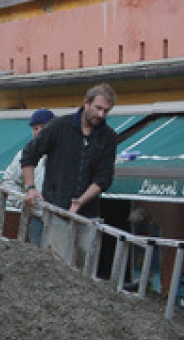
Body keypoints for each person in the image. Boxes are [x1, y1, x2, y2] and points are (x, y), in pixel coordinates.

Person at [20, 84, 118, 260]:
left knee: (86, 263)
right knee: (60, 263)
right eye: (98, 108)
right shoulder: (59, 126)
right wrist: (30, 187)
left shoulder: (109, 137)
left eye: (106, 111)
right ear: (86, 103)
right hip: (56, 206)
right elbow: (29, 154)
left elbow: (104, 178)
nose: (101, 115)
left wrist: (81, 201)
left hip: (89, 212)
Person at [2, 108, 55, 245]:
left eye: (43, 127)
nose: (39, 131)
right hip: (38, 219)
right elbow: (9, 180)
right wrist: (24, 203)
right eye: (35, 128)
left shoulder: (65, 153)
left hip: (64, 219)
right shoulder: (24, 154)